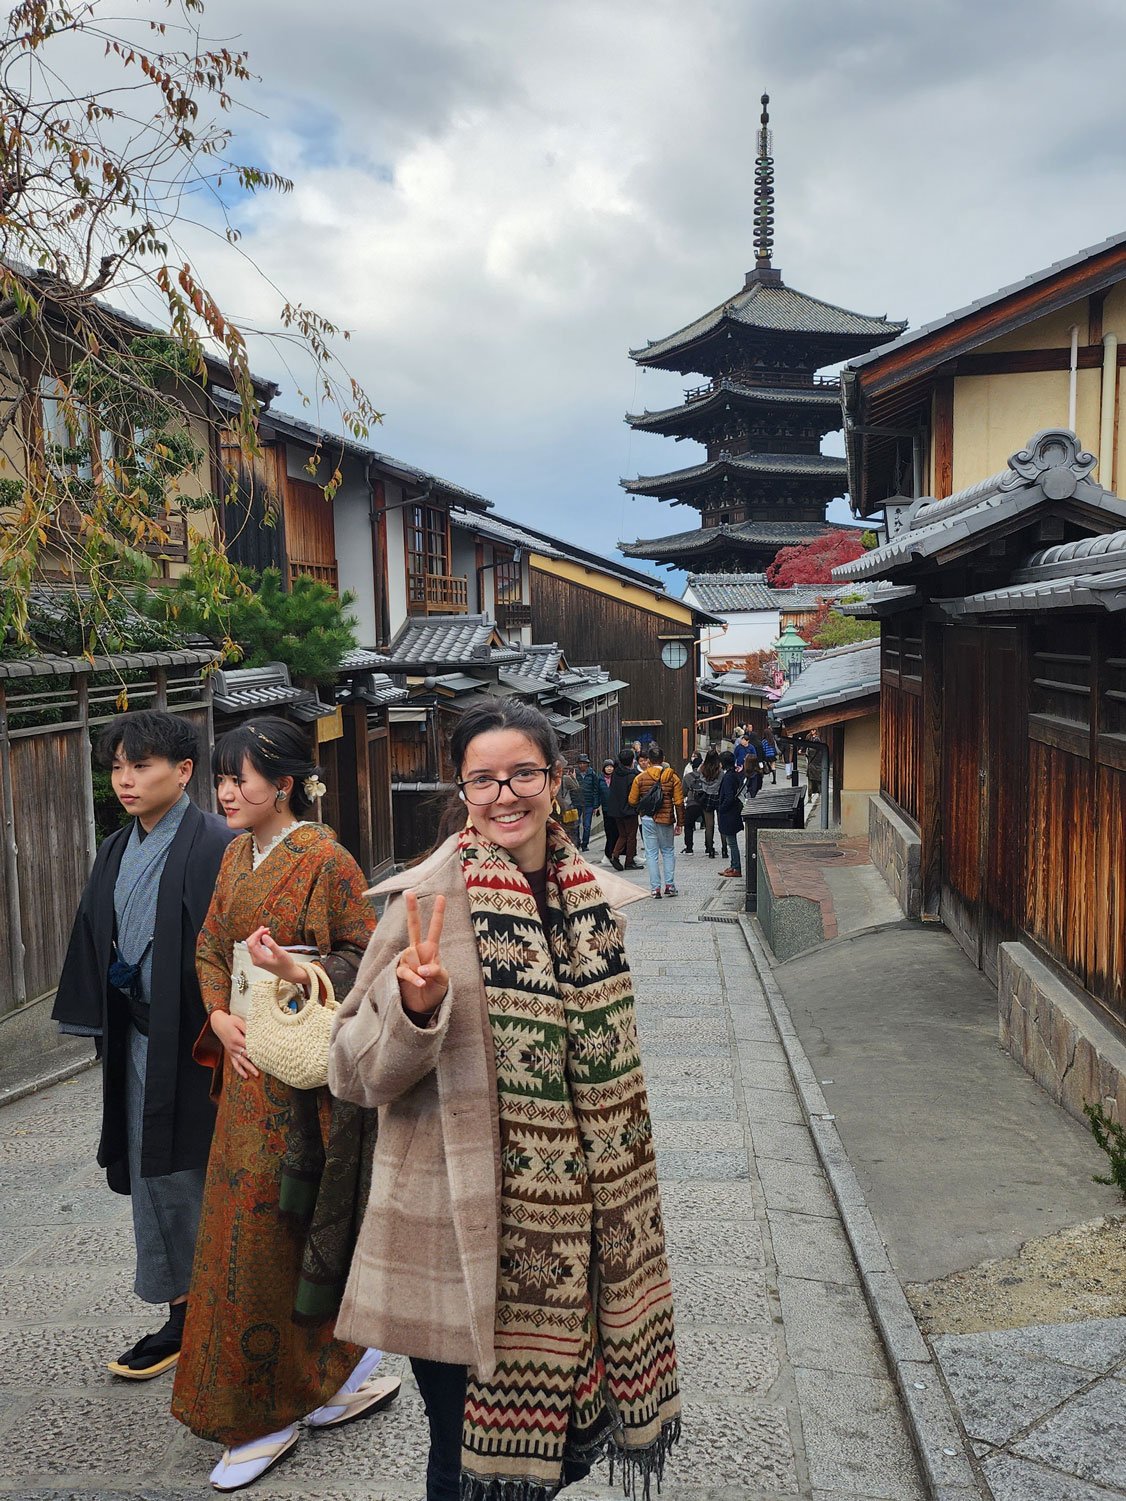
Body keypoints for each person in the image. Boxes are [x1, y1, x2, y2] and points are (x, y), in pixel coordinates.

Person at [329, 697, 681, 1501]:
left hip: (577, 1245)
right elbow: (349, 1071)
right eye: (481, 779)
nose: (504, 794)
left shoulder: (589, 900)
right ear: (462, 790)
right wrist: (413, 1010)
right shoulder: (423, 904)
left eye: (523, 772)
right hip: (455, 1237)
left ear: (556, 779)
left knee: (554, 1457)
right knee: (462, 1459)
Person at [171, 717, 399, 1492]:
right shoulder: (236, 855)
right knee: (235, 1234)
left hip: (299, 1084)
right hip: (244, 1069)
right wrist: (221, 1014)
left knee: (276, 1238)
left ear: (287, 784)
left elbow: (367, 954)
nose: (227, 793)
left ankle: (270, 1408)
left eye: (242, 779)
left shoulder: (326, 860)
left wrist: (293, 971)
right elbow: (208, 944)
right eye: (223, 780)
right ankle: (321, 1376)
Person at [53, 710, 236, 1381]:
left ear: (183, 771)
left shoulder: (217, 842)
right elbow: (94, 934)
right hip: (139, 1039)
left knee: (203, 1172)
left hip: (201, 1045)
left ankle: (230, 1312)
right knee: (155, 1173)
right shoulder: (116, 847)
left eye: (142, 765)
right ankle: (184, 1312)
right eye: (117, 766)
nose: (125, 780)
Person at [628, 742, 684, 899]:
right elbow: (679, 802)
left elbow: (632, 800)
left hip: (647, 818)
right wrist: (680, 823)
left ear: (649, 761)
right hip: (666, 818)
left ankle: (655, 889)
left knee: (651, 853)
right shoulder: (672, 777)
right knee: (667, 851)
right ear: (663, 759)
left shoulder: (640, 778)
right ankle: (670, 885)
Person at [607, 748, 641, 871]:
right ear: (632, 760)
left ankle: (615, 855)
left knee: (622, 835)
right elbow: (634, 795)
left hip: (616, 810)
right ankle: (629, 861)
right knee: (631, 836)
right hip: (629, 810)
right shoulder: (632, 776)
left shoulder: (616, 773)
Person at [717, 750, 745, 879]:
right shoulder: (734, 774)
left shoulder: (728, 777)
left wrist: (721, 808)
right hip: (733, 812)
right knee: (731, 841)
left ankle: (736, 867)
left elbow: (729, 797)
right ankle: (733, 865)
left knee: (732, 842)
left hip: (729, 813)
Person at [697, 749, 722, 860]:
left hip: (706, 796)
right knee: (722, 824)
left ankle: (710, 849)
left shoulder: (702, 768)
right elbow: (720, 782)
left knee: (709, 825)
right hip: (718, 796)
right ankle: (725, 849)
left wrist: (707, 787)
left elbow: (700, 778)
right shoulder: (720, 770)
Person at [573, 753, 600, 852]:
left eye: (584, 763)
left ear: (587, 764)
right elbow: (570, 788)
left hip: (589, 803)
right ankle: (576, 843)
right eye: (580, 763)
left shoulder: (592, 774)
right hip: (577, 803)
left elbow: (596, 790)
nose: (581, 765)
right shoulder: (574, 774)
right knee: (575, 824)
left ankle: (585, 844)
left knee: (587, 825)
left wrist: (596, 805)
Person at [681, 753, 703, 854]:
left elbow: (684, 792)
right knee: (709, 826)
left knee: (688, 826)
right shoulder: (706, 776)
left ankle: (689, 848)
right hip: (705, 803)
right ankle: (709, 847)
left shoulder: (687, 777)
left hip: (692, 803)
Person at [598, 758, 617, 865]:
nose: (609, 769)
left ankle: (611, 853)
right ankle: (608, 854)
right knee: (609, 832)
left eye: (611, 767)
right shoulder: (600, 779)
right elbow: (596, 793)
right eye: (607, 767)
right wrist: (596, 806)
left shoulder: (616, 779)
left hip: (615, 809)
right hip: (606, 809)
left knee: (615, 832)